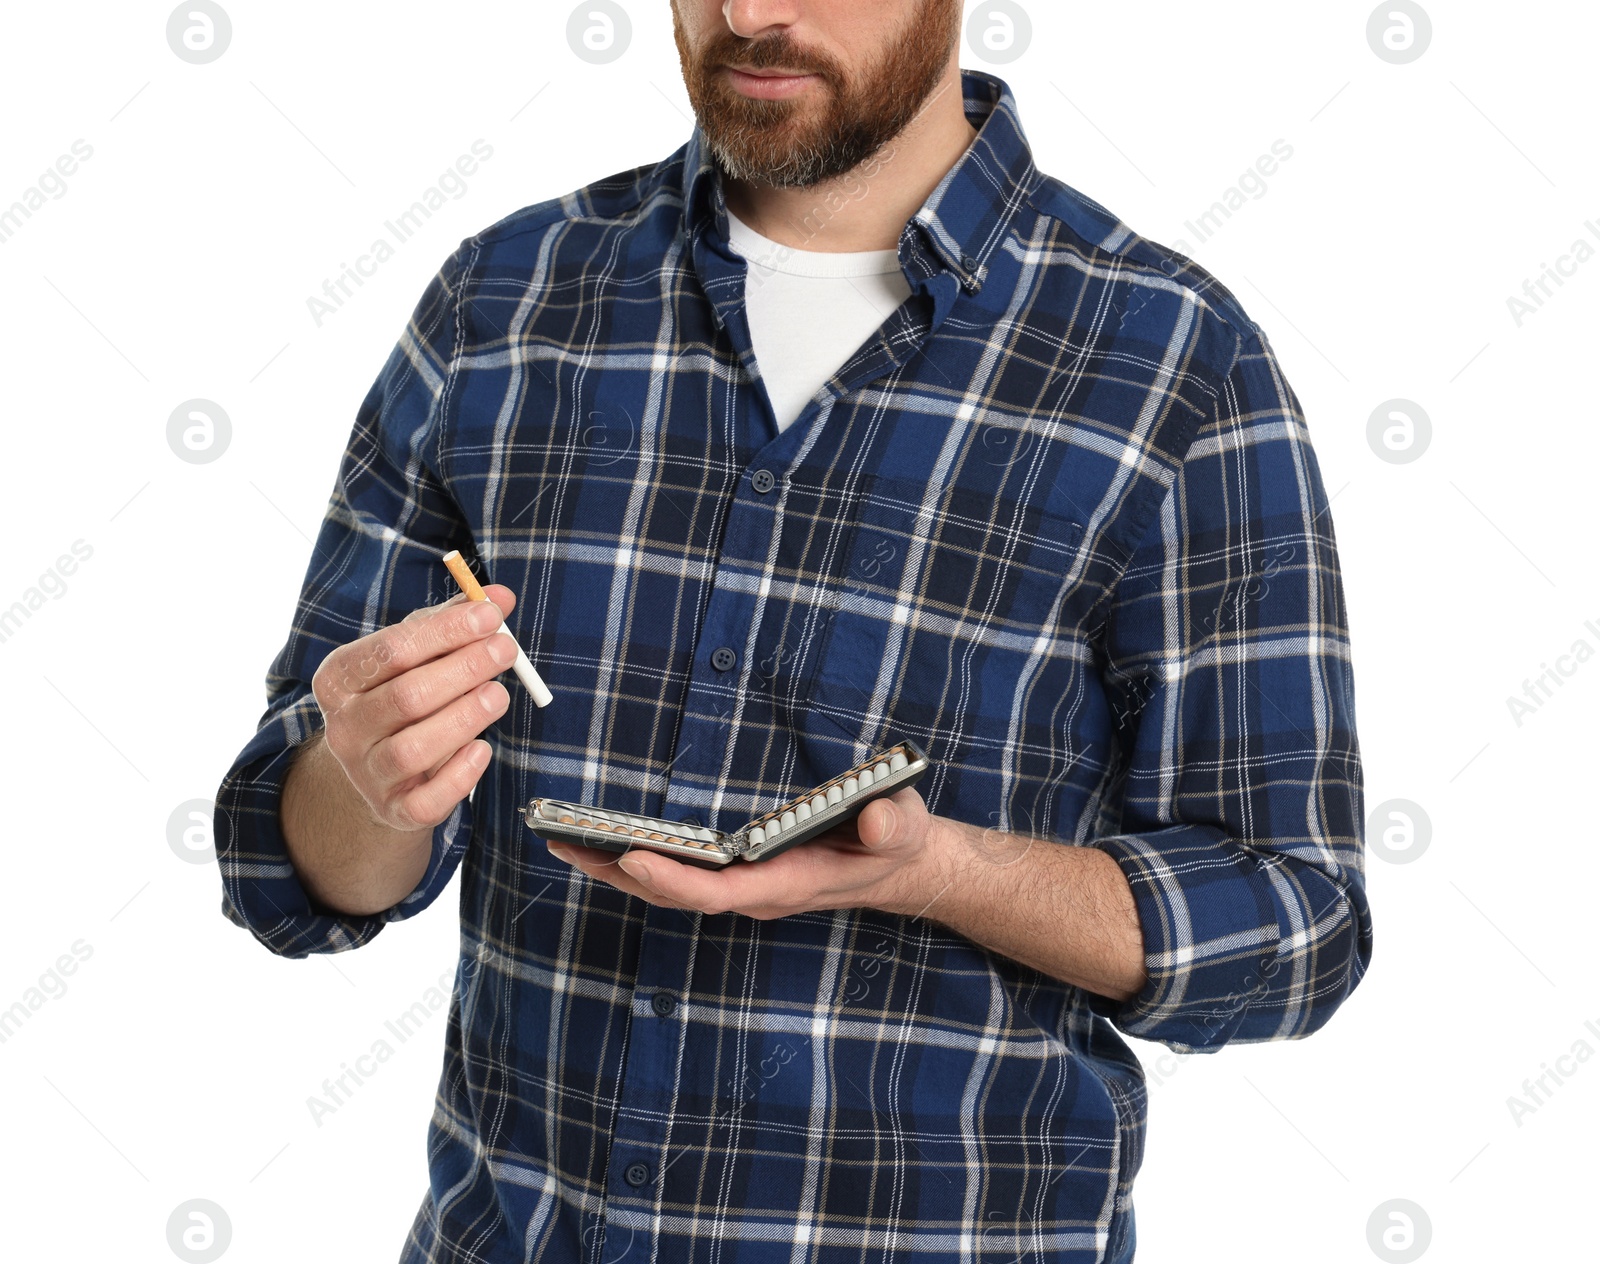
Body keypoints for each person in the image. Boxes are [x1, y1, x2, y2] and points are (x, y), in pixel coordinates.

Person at [214, 1, 1372, 1260]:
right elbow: (290, 869)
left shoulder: (1174, 362)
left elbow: (1296, 922)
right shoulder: (505, 300)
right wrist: (367, 784)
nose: (751, 12)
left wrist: (943, 874)